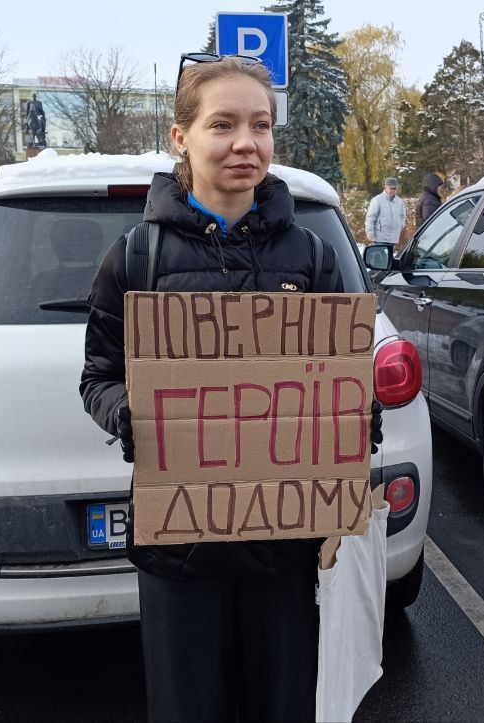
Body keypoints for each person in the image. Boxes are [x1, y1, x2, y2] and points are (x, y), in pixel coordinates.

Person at [79, 54, 380, 722]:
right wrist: (129, 413)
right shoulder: (136, 257)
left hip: (285, 551)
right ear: (181, 136)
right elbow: (98, 376)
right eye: (223, 124)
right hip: (179, 553)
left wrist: (358, 415)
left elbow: (342, 376)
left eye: (261, 125)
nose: (246, 142)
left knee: (286, 707)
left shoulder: (312, 256)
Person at [365, 177, 406, 246]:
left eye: (394, 188)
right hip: (380, 237)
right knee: (380, 253)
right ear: (385, 187)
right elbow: (370, 217)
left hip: (394, 238)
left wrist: (400, 226)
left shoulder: (399, 202)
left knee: (391, 253)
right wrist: (369, 232)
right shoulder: (377, 200)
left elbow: (403, 216)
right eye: (391, 188)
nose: (393, 190)